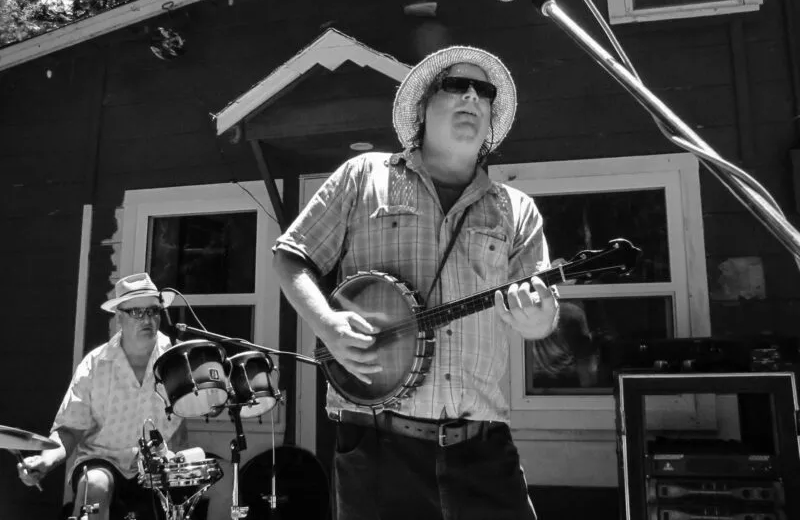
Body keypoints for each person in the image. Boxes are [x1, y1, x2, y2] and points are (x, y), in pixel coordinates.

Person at [272, 46, 560, 520]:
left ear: (491, 117)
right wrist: (326, 324)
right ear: (423, 108)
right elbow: (290, 256)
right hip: (377, 447)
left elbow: (541, 317)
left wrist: (537, 315)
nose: (472, 96)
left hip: (483, 449)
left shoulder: (516, 208)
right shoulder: (364, 176)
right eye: (456, 85)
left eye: (484, 92)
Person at [17, 273, 232, 520]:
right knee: (95, 485)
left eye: (153, 310)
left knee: (226, 477)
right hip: (103, 460)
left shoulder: (178, 359)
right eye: (137, 312)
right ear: (119, 317)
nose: (148, 319)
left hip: (160, 464)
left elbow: (186, 415)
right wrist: (45, 462)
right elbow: (70, 429)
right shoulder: (95, 365)